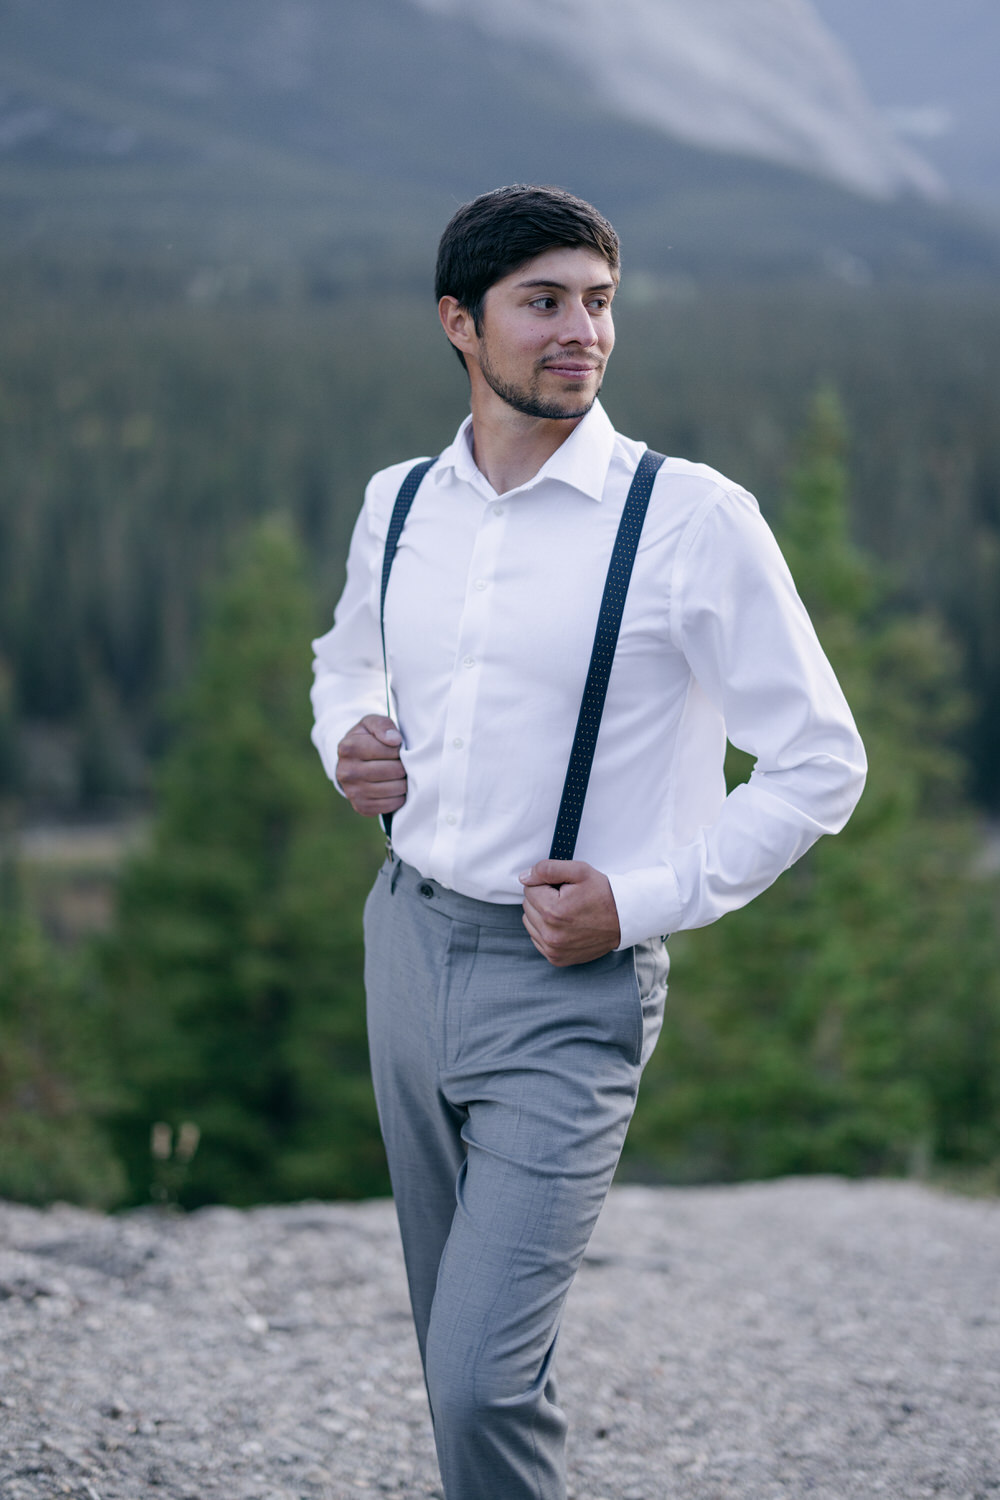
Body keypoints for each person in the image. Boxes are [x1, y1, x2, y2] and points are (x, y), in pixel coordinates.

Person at [310, 184, 866, 1500]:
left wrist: (645, 896)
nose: (584, 332)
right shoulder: (398, 504)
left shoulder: (692, 519)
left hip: (568, 988)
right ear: (460, 322)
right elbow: (345, 663)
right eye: (546, 303)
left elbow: (820, 761)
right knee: (457, 1339)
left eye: (601, 303)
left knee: (484, 1377)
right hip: (404, 943)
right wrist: (350, 736)